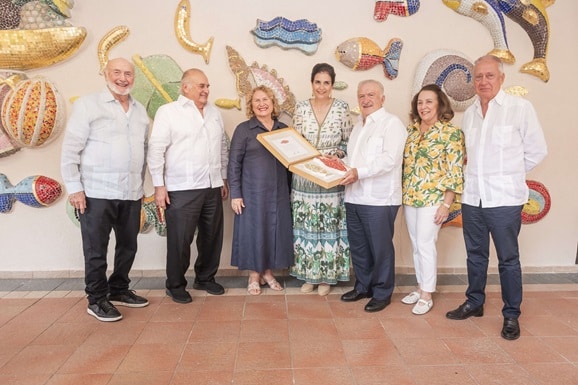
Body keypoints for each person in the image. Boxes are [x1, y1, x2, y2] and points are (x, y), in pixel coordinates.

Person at [446, 56, 547, 340]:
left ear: (501, 78)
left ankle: (511, 314)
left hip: (504, 199)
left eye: (489, 76)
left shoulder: (520, 109)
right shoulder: (469, 114)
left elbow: (538, 150)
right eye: (478, 77)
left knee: (508, 259)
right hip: (473, 198)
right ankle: (475, 302)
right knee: (475, 256)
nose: (483, 82)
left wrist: (509, 174)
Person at [61, 57, 150, 322]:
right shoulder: (88, 105)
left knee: (128, 246)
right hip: (96, 193)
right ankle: (97, 299)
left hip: (131, 192)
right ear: (105, 74)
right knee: (96, 250)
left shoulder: (139, 111)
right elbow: (70, 149)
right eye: (117, 72)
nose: (123, 78)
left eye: (128, 74)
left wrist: (143, 187)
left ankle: (119, 289)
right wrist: (75, 189)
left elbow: (143, 151)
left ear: (134, 78)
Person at [147, 68, 229, 304]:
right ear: (186, 87)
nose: (206, 90)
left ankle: (205, 278)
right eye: (201, 86)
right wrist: (159, 186)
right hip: (182, 188)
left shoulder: (214, 112)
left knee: (211, 236)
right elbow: (157, 150)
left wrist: (222, 177)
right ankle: (174, 284)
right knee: (180, 239)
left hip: (212, 185)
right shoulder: (168, 112)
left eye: (207, 86)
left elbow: (221, 147)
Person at [340, 80, 407, 312]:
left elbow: (390, 160)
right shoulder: (358, 126)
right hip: (354, 197)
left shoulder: (392, 124)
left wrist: (359, 172)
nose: (366, 100)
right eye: (361, 96)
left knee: (380, 248)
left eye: (371, 95)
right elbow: (352, 160)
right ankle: (363, 286)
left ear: (382, 98)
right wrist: (336, 166)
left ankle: (382, 292)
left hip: (380, 200)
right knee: (359, 247)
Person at [290, 63, 353, 296]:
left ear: (332, 85)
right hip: (304, 179)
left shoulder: (342, 108)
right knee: (306, 226)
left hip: (331, 179)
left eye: (326, 82)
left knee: (330, 226)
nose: (321, 87)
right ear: (312, 83)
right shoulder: (300, 108)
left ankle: (327, 277)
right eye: (318, 82)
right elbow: (294, 141)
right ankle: (309, 275)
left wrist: (335, 154)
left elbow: (348, 143)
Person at [401, 84, 465, 315]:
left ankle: (427, 294)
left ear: (439, 104)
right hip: (410, 197)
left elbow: (455, 171)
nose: (423, 106)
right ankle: (420, 287)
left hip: (434, 199)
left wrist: (446, 204)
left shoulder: (451, 133)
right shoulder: (411, 132)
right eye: (420, 102)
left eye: (429, 101)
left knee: (426, 244)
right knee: (417, 244)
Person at [228, 86, 293, 295]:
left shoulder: (284, 129)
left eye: (265, 99)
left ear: (273, 103)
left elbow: (292, 161)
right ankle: (254, 275)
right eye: (256, 100)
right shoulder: (243, 129)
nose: (261, 104)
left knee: (273, 232)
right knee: (254, 233)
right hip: (251, 193)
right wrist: (235, 194)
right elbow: (233, 164)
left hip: (279, 193)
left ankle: (267, 272)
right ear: (251, 105)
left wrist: (291, 191)